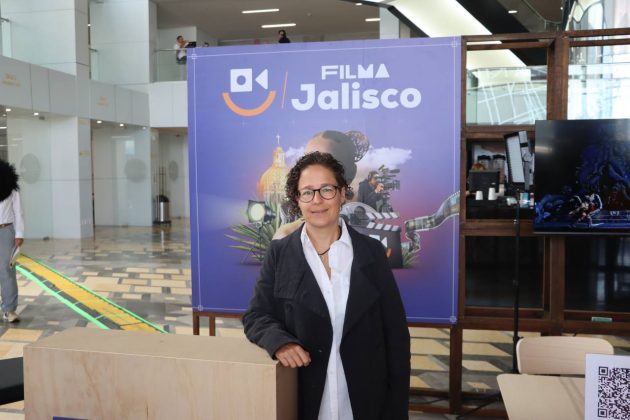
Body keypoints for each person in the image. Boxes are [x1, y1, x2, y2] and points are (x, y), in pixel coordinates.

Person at [243, 151, 410, 420]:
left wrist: (396, 411)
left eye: (327, 189)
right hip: (305, 399)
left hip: (365, 401)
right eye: (307, 192)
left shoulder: (372, 253)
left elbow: (396, 335)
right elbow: (257, 315)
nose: (317, 200)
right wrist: (280, 343)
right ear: (297, 199)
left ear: (342, 193)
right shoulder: (280, 253)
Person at [0, 160, 24, 323]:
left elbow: (18, 211)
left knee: (7, 271)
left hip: (6, 230)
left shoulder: (10, 186)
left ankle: (9, 309)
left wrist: (19, 233)